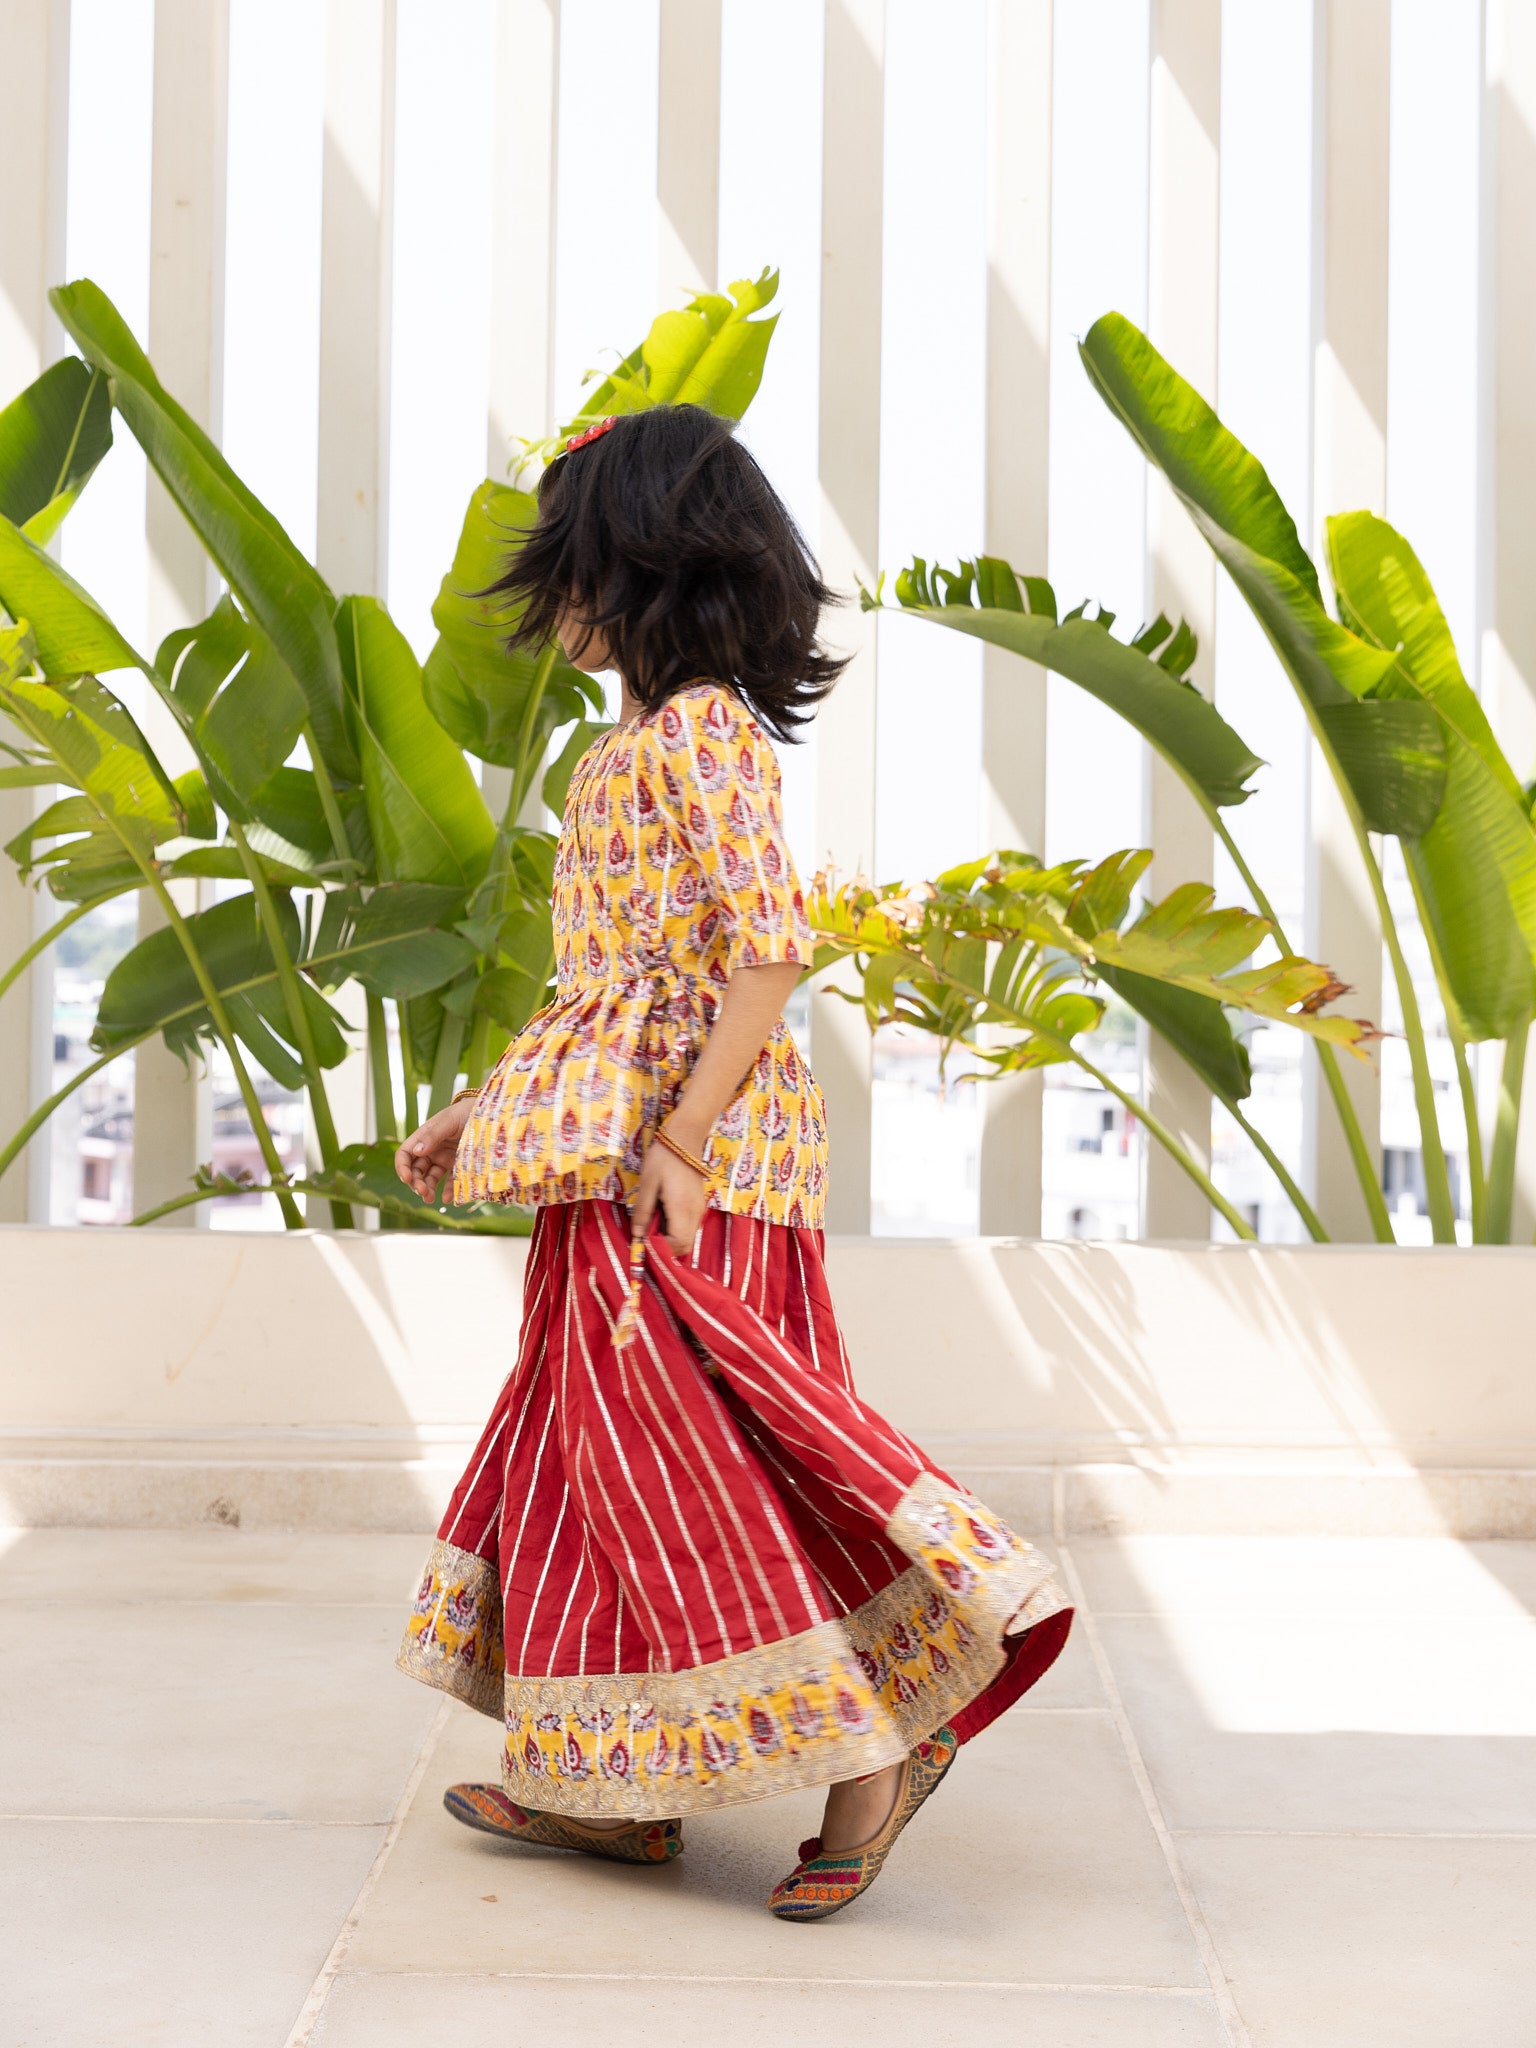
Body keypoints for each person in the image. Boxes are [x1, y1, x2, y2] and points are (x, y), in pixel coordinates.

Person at [394, 403, 1071, 1921]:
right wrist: (481, 1107)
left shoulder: (700, 733)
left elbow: (769, 956)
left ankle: (884, 1749)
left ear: (640, 571)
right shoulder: (635, 741)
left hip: (699, 1169)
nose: (553, 606)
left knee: (730, 1452)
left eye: (570, 571)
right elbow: (610, 981)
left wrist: (686, 1145)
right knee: (591, 1453)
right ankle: (615, 1788)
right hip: (619, 1157)